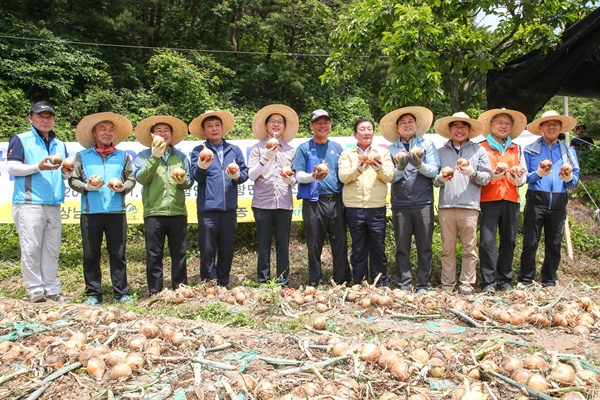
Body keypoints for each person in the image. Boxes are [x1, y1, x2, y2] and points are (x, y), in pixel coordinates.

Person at [7, 101, 71, 303]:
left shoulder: (60, 144)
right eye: (40, 116)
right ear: (30, 118)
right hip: (29, 203)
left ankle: (52, 288)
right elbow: (12, 168)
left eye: (49, 116)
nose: (45, 120)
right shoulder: (20, 139)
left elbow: (63, 176)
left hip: (53, 204)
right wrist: (37, 166)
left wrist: (67, 173)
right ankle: (35, 288)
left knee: (52, 249)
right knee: (31, 247)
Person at [68, 112, 136, 305]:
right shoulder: (82, 156)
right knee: (90, 254)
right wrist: (86, 187)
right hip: (91, 213)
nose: (107, 133)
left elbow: (131, 179)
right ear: (94, 133)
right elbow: (73, 179)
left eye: (111, 129)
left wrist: (124, 187)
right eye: (103, 129)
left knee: (118, 254)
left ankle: (121, 292)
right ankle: (93, 293)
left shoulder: (123, 156)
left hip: (116, 212)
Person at [381, 106, 440, 293]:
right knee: (402, 247)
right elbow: (390, 177)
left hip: (424, 203)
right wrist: (400, 167)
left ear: (416, 125)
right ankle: (404, 284)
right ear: (397, 127)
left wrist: (419, 164)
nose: (407, 125)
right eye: (403, 122)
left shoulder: (427, 145)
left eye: (410, 121)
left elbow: (434, 171)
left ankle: (424, 284)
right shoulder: (391, 149)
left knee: (425, 246)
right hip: (400, 204)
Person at [433, 112, 492, 296]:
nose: (459, 130)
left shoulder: (478, 150)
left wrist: (472, 173)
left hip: (470, 207)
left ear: (469, 130)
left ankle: (467, 284)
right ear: (449, 130)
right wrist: (441, 178)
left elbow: (487, 177)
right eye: (455, 126)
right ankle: (448, 284)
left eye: (463, 126)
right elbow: (434, 181)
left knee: (469, 248)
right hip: (446, 207)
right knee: (447, 248)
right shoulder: (440, 152)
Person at [133, 116, 193, 296]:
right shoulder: (144, 156)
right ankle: (155, 290)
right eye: (158, 131)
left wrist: (182, 181)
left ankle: (180, 287)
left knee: (179, 253)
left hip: (177, 211)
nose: (162, 134)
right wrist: (155, 157)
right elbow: (141, 178)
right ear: (152, 136)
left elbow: (188, 182)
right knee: (154, 254)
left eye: (166, 131)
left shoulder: (180, 156)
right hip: (154, 212)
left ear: (171, 134)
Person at [519, 110, 579, 288]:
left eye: (555, 124)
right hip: (536, 199)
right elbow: (524, 178)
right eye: (547, 124)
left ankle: (549, 278)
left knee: (554, 242)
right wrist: (538, 174)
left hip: (559, 200)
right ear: (541, 127)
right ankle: (526, 278)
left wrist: (567, 179)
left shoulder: (568, 151)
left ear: (561, 128)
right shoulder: (530, 150)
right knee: (530, 241)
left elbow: (574, 179)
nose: (551, 127)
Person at [292, 109, 351, 287]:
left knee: (339, 241)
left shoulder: (337, 148)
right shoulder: (304, 148)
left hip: (336, 200)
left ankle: (342, 280)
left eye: (325, 122)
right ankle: (315, 281)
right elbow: (299, 176)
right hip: (314, 201)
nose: (322, 125)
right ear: (311, 126)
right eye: (318, 122)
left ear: (330, 126)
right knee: (314, 243)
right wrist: (313, 176)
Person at [189, 111, 248, 288]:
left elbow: (244, 175)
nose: (214, 129)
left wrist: (237, 174)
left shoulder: (234, 150)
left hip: (229, 207)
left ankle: (223, 282)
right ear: (204, 130)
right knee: (207, 249)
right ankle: (209, 284)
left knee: (227, 248)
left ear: (222, 128)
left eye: (217, 125)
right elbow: (196, 176)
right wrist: (202, 165)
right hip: (208, 208)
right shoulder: (198, 151)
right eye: (210, 126)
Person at [338, 118, 394, 287]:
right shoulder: (347, 154)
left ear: (373, 133)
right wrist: (359, 168)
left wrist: (378, 167)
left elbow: (389, 176)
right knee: (358, 247)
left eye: (369, 129)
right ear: (355, 134)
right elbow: (343, 177)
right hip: (354, 207)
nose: (366, 132)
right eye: (362, 129)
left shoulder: (382, 153)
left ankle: (380, 282)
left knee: (378, 246)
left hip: (376, 207)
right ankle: (359, 281)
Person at [477, 109, 528, 292]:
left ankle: (505, 280)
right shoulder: (481, 147)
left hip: (511, 199)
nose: (503, 126)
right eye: (499, 123)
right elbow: (478, 175)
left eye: (507, 124)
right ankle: (488, 282)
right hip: (488, 198)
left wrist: (517, 178)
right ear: (492, 126)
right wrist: (494, 175)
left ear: (511, 127)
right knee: (487, 242)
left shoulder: (517, 148)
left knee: (509, 240)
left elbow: (523, 176)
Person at [248, 105, 299, 286]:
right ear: (266, 126)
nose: (276, 125)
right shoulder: (257, 148)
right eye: (273, 122)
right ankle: (263, 281)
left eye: (280, 122)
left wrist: (290, 181)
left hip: (284, 202)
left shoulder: (291, 151)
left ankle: (283, 281)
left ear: (284, 127)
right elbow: (251, 175)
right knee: (263, 244)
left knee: (283, 244)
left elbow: (295, 179)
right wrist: (266, 156)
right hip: (262, 202)